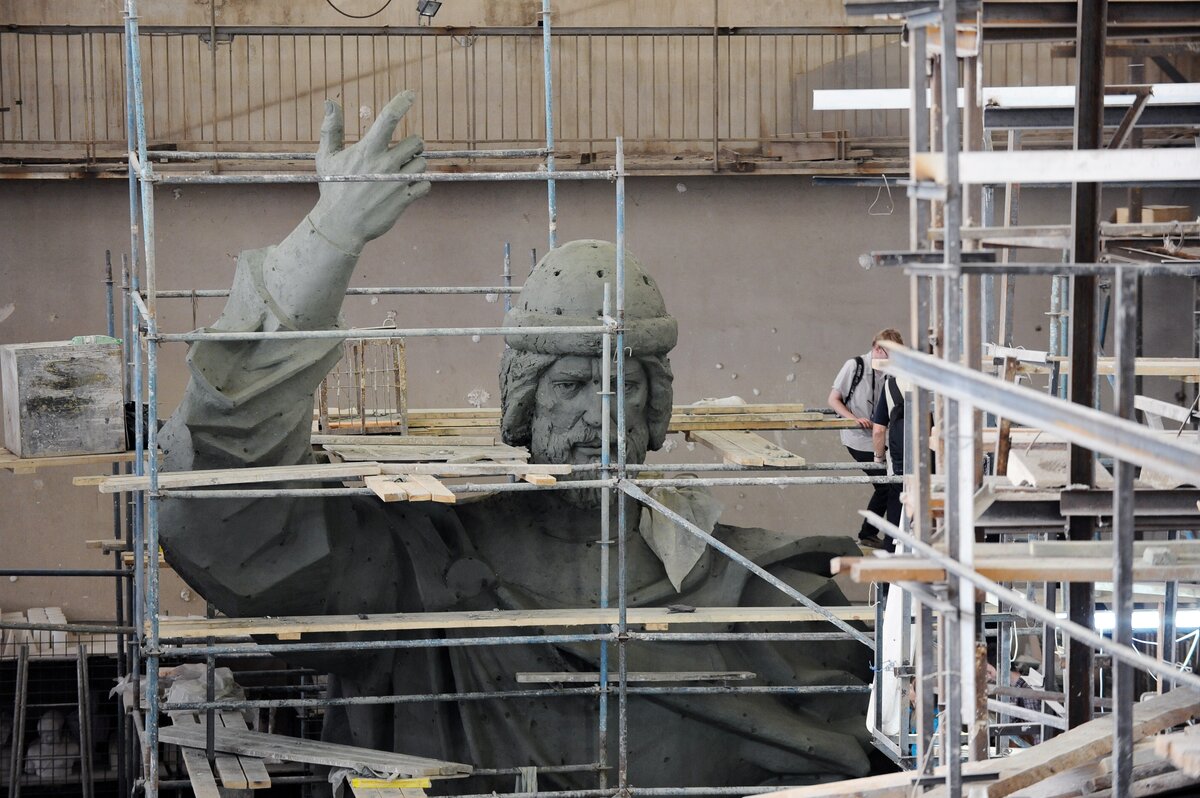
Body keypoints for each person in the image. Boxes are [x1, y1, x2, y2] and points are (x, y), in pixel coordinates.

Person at [157, 90, 875, 791]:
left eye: (623, 384)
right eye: (571, 385)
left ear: (655, 404)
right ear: (524, 403)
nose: (600, 415)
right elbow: (221, 517)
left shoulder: (756, 591)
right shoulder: (426, 570)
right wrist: (329, 238)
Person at [828, 330, 903, 549]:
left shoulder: (889, 371)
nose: (893, 360)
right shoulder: (855, 366)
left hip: (881, 436)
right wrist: (854, 419)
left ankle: (875, 534)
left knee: (890, 484)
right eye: (890, 354)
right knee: (887, 486)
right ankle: (872, 534)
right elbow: (833, 399)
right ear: (877, 349)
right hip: (858, 437)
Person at [871, 372, 905, 531]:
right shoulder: (942, 383)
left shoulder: (891, 385)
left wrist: (879, 457)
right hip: (934, 466)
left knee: (895, 525)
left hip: (900, 465)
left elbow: (878, 430)